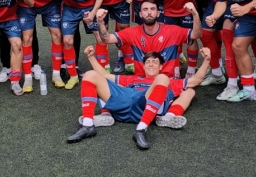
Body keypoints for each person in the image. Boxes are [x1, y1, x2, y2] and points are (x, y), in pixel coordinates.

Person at [66, 46, 212, 149]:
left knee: (181, 86)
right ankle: (87, 125)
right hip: (124, 99)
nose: (151, 63)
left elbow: (196, 81)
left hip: (144, 104)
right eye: (147, 61)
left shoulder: (170, 81)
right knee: (89, 75)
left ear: (161, 66)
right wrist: (91, 57)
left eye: (155, 61)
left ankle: (141, 129)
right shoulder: (133, 78)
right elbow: (104, 76)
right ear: (143, 66)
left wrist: (206, 61)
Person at [97, 0, 202, 78]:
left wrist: (195, 14)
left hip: (168, 82)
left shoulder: (173, 31)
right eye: (145, 9)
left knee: (188, 94)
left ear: (158, 13)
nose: (149, 12)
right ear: (140, 14)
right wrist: (100, 22)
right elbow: (107, 39)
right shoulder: (132, 32)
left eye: (152, 9)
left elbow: (196, 35)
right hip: (142, 82)